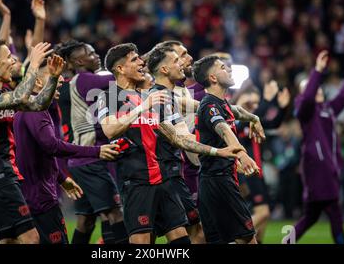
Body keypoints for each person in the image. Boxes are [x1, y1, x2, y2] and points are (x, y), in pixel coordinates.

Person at [98, 43, 243, 244]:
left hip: (165, 181)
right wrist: (142, 107)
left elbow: (178, 138)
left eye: (140, 58)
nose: (141, 62)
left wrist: (218, 151)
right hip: (137, 183)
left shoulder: (153, 98)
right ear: (120, 69)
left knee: (183, 239)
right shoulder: (108, 96)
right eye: (134, 60)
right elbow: (110, 130)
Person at [13, 54, 120, 244]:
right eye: (54, 74)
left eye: (60, 74)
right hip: (38, 198)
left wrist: (61, 178)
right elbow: (52, 146)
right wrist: (96, 151)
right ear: (37, 82)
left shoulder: (39, 107)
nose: (61, 79)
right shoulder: (34, 108)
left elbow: (42, 151)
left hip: (36, 193)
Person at [0, 38, 58, 244]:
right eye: (9, 57)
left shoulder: (3, 94)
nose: (13, 61)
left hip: (3, 173)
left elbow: (37, 104)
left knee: (7, 240)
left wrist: (52, 78)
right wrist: (33, 65)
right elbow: (19, 97)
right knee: (31, 238)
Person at [55, 40, 126, 244]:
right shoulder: (84, 79)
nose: (97, 56)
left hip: (82, 159)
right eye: (91, 53)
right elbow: (119, 78)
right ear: (78, 60)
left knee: (86, 221)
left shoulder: (79, 82)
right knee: (115, 213)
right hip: (90, 159)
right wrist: (139, 64)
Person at [292, 51, 344, 244]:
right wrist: (318, 70)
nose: (317, 90)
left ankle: (287, 241)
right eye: (311, 88)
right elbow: (307, 99)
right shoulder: (305, 111)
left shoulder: (328, 109)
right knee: (334, 213)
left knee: (311, 217)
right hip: (317, 170)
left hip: (327, 170)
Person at [193, 55, 265, 244]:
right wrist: (242, 154)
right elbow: (224, 130)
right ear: (213, 78)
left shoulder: (221, 103)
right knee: (249, 240)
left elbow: (238, 111)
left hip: (213, 182)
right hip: (219, 182)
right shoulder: (210, 106)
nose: (230, 69)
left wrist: (254, 119)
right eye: (223, 67)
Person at [146, 46, 205, 243]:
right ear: (163, 69)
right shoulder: (159, 97)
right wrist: (220, 152)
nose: (182, 63)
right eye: (176, 60)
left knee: (183, 233)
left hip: (170, 172)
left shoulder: (169, 95)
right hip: (163, 177)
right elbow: (181, 137)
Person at [235, 82, 290, 243]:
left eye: (256, 103)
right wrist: (266, 100)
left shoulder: (254, 122)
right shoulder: (235, 121)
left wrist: (283, 108)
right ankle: (236, 236)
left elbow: (274, 123)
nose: (252, 107)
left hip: (257, 173)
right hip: (244, 173)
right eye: (248, 103)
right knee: (263, 212)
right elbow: (252, 118)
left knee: (263, 222)